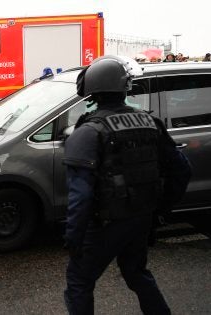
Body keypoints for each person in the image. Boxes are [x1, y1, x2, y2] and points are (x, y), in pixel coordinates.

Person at [63, 55, 191, 315]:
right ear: (124, 87)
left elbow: (82, 195)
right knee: (137, 273)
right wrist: (160, 211)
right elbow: (182, 170)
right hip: (140, 219)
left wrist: (73, 237)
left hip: (104, 224)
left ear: (92, 90)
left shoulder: (88, 132)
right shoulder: (150, 122)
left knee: (79, 282)